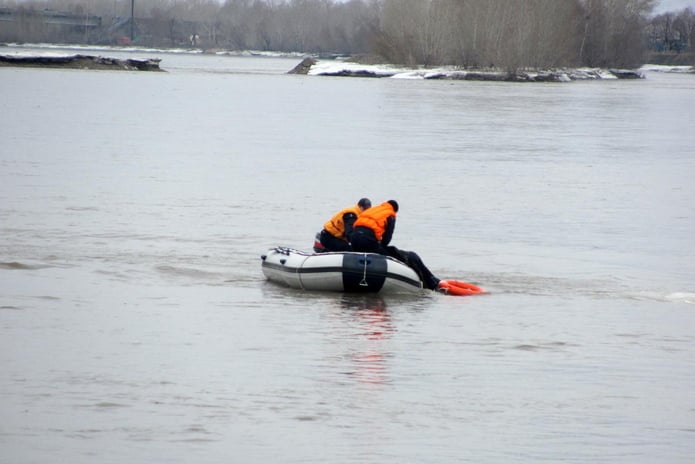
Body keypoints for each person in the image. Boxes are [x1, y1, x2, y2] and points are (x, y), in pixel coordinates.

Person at [351, 200, 442, 291]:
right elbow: (387, 238)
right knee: (409, 256)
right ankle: (432, 283)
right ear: (395, 210)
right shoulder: (390, 214)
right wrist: (381, 246)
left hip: (354, 239)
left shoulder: (373, 210)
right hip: (368, 241)